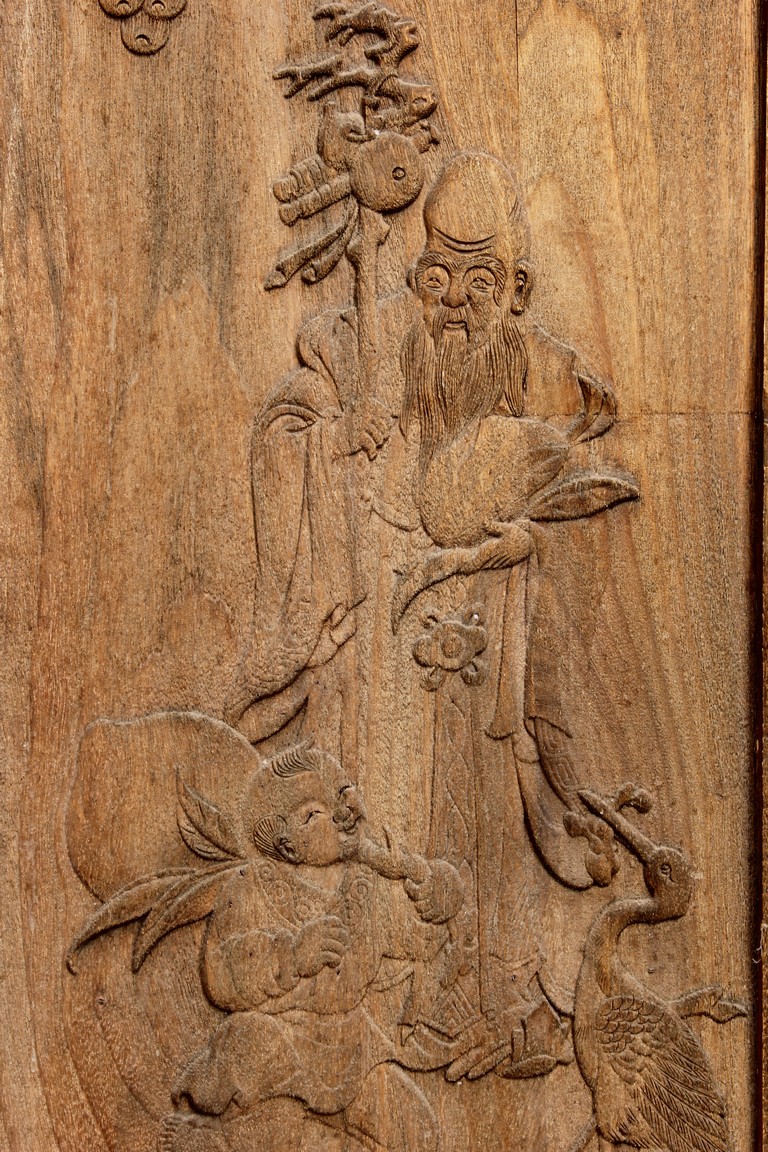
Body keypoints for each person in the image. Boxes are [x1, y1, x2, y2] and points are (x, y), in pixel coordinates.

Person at [226, 151, 634, 1077]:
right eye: (438, 276)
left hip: (494, 646)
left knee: (482, 817)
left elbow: (585, 487)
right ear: (415, 273)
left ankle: (496, 999)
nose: (455, 302)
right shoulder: (372, 340)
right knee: (383, 814)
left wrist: (526, 540)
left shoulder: (548, 375)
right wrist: (339, 438)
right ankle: (372, 1000)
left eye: (480, 282)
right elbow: (290, 421)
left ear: (517, 288)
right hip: (381, 646)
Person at [161, 740, 464, 1152]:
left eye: (342, 793)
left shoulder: (366, 887)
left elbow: (420, 938)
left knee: (416, 1128)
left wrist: (438, 891)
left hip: (352, 1045)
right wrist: (292, 954)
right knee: (249, 1047)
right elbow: (221, 974)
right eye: (314, 813)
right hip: (280, 1034)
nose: (342, 812)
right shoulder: (252, 887)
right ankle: (216, 1137)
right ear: (287, 845)